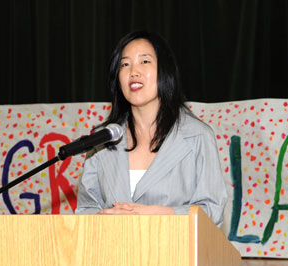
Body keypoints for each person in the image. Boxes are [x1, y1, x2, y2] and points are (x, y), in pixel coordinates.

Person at [75, 30, 227, 227]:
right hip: (113, 253)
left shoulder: (197, 136)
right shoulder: (103, 139)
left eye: (144, 61)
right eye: (125, 64)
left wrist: (157, 213)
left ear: (165, 71)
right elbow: (86, 208)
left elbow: (212, 211)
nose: (133, 72)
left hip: (175, 253)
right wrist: (103, 219)